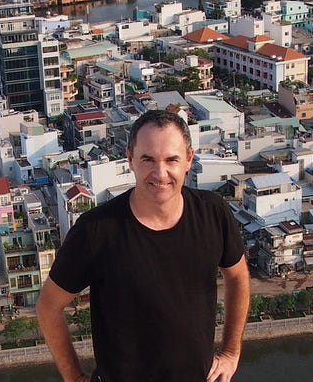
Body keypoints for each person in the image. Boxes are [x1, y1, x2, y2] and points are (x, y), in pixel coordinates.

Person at [37, 110, 250, 382]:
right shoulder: (96, 230)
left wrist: (231, 353)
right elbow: (48, 306)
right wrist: (74, 377)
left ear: (188, 160)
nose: (160, 174)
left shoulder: (212, 212)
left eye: (171, 160)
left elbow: (239, 276)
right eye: (148, 159)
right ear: (130, 160)